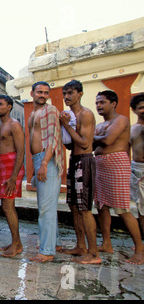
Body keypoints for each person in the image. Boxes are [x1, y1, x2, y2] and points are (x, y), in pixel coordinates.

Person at [93, 90, 143, 265]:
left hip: (117, 164)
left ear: (113, 103)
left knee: (122, 209)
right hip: (100, 165)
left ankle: (139, 250)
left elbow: (107, 140)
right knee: (102, 206)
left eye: (102, 102)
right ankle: (107, 243)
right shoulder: (101, 125)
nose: (99, 106)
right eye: (97, 103)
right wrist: (96, 136)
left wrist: (94, 136)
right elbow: (91, 143)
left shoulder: (121, 120)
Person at [58, 80, 100, 264]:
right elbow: (70, 145)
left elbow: (84, 143)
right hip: (74, 160)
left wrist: (67, 126)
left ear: (80, 94)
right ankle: (81, 246)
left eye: (71, 93)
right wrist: (63, 129)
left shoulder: (86, 114)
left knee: (84, 208)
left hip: (85, 160)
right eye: (65, 93)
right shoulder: (69, 116)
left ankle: (94, 254)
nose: (67, 97)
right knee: (74, 207)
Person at [28, 81, 64, 263]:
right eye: (39, 92)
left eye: (46, 92)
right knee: (45, 206)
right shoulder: (33, 114)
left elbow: (53, 139)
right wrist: (37, 167)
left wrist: (44, 163)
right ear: (32, 93)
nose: (43, 95)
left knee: (46, 208)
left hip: (46, 159)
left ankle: (47, 251)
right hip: (39, 160)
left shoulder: (50, 110)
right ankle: (52, 243)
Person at [0, 95, 26, 258]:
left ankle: (17, 244)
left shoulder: (14, 125)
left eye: (1, 104)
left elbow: (21, 151)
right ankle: (16, 241)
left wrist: (14, 176)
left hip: (12, 167)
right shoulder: (1, 126)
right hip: (4, 167)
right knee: (5, 206)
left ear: (9, 107)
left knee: (8, 205)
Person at [130, 93, 144, 234]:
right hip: (137, 171)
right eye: (141, 108)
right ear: (134, 110)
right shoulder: (132, 129)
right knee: (141, 208)